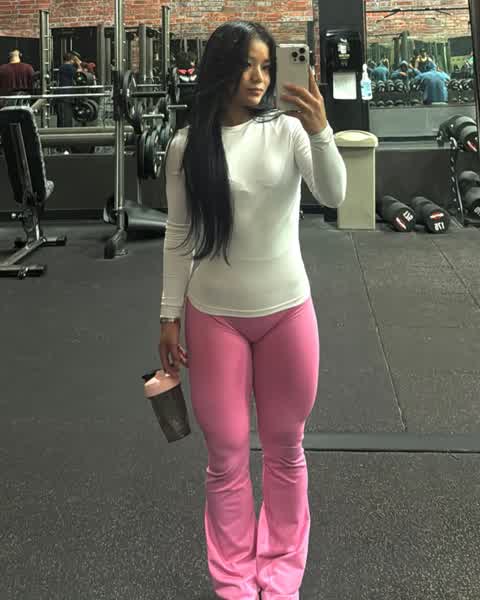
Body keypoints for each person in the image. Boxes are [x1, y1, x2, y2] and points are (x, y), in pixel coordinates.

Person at [158, 20, 346, 600]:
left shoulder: (288, 131)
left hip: (287, 311)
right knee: (226, 455)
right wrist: (168, 316)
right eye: (247, 65)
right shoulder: (187, 146)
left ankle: (282, 575)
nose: (259, 78)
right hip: (214, 316)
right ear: (221, 70)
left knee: (286, 449)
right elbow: (178, 236)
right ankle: (235, 581)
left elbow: (335, 195)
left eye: (267, 66)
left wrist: (321, 131)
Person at [55, 51, 81, 128]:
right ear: (72, 60)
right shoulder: (68, 67)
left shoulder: (63, 67)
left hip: (64, 95)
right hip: (65, 95)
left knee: (64, 118)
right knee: (65, 118)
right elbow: (80, 73)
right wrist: (78, 63)